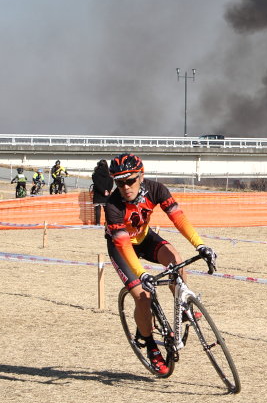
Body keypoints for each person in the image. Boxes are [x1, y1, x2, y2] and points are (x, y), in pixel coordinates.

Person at [104, 153, 217, 375]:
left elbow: (178, 218)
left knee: (176, 261)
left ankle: (183, 306)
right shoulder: (112, 205)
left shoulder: (156, 190)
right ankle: (151, 346)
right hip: (122, 247)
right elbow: (124, 245)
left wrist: (200, 245)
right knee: (143, 296)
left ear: (141, 176)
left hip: (145, 239)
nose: (126, 187)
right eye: (119, 182)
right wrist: (141, 273)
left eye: (130, 181)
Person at [91, 160, 113, 226]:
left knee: (98, 208)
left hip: (98, 193)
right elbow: (111, 183)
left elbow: (96, 184)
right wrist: (107, 191)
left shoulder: (96, 173)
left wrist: (102, 191)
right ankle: (107, 222)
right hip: (107, 194)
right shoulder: (109, 173)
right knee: (107, 209)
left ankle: (98, 223)